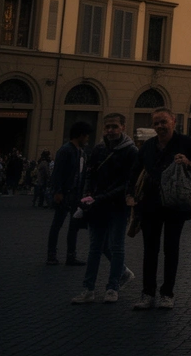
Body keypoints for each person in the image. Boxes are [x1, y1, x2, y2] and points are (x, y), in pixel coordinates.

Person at [129, 107, 191, 310]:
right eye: (156, 123)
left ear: (173, 121)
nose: (160, 126)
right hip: (150, 204)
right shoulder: (147, 146)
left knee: (171, 249)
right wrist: (130, 194)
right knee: (150, 250)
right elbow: (135, 171)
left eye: (163, 122)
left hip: (175, 204)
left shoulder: (186, 142)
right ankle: (147, 292)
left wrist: (189, 162)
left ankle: (167, 293)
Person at [70, 114, 138, 305]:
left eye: (114, 126)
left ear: (123, 127)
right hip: (97, 205)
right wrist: (86, 196)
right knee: (95, 248)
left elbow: (128, 183)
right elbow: (89, 175)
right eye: (107, 127)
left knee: (116, 247)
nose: (110, 130)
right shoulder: (98, 149)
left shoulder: (131, 151)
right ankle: (88, 289)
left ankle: (112, 287)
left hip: (117, 206)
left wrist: (99, 197)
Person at [47, 121, 92, 266]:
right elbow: (57, 173)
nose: (87, 139)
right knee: (57, 224)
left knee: (74, 226)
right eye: (86, 136)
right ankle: (51, 255)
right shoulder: (65, 150)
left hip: (76, 195)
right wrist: (58, 191)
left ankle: (71, 256)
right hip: (64, 193)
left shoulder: (82, 152)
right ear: (80, 135)